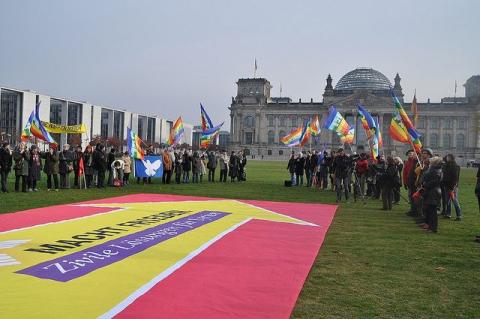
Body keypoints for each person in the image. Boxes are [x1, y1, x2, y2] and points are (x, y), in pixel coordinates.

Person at [417, 156, 443, 233]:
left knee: (432, 212)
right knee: (429, 210)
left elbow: (435, 181)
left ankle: (433, 228)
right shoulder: (433, 169)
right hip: (430, 191)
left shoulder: (436, 170)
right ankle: (429, 226)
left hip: (433, 192)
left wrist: (425, 185)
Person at [442, 154, 462, 220]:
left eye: (447, 157)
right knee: (447, 201)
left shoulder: (454, 166)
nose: (446, 158)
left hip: (452, 186)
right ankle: (448, 214)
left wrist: (452, 187)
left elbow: (455, 177)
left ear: (450, 158)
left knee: (454, 200)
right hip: (447, 185)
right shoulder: (447, 165)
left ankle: (459, 215)